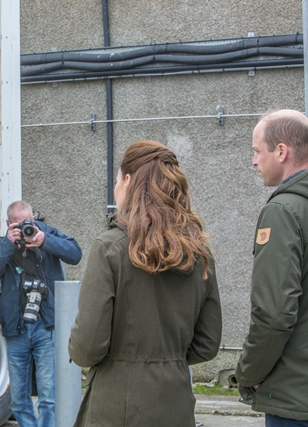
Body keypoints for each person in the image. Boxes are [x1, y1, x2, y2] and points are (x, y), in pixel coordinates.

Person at [68, 140, 222, 427]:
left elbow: (87, 347)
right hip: (176, 402)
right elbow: (208, 343)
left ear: (127, 181)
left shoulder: (110, 248)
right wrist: (167, 358)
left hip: (116, 407)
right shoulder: (199, 251)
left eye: (117, 179)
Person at [234, 109, 308, 426]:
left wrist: (248, 374)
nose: (253, 161)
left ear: (281, 152)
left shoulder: (283, 211)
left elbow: (275, 313)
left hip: (294, 397)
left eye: (256, 151)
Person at [0, 200, 82, 427]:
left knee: (48, 397)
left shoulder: (46, 234)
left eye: (27, 223)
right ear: (8, 224)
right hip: (16, 328)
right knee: (18, 400)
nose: (24, 228)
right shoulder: (3, 245)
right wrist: (8, 244)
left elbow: (75, 254)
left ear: (33, 219)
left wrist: (44, 241)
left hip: (45, 325)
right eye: (17, 224)